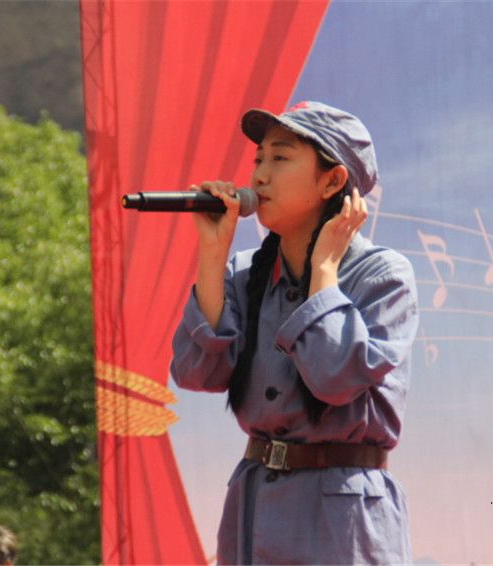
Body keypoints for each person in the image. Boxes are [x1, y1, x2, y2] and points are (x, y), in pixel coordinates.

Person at [170, 101, 419, 564]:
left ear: (332, 181)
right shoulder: (245, 272)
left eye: (280, 158)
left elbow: (335, 377)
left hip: (343, 516)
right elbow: (195, 373)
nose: (260, 176)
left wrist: (323, 270)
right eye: (258, 159)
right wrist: (212, 252)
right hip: (255, 507)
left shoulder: (383, 274)